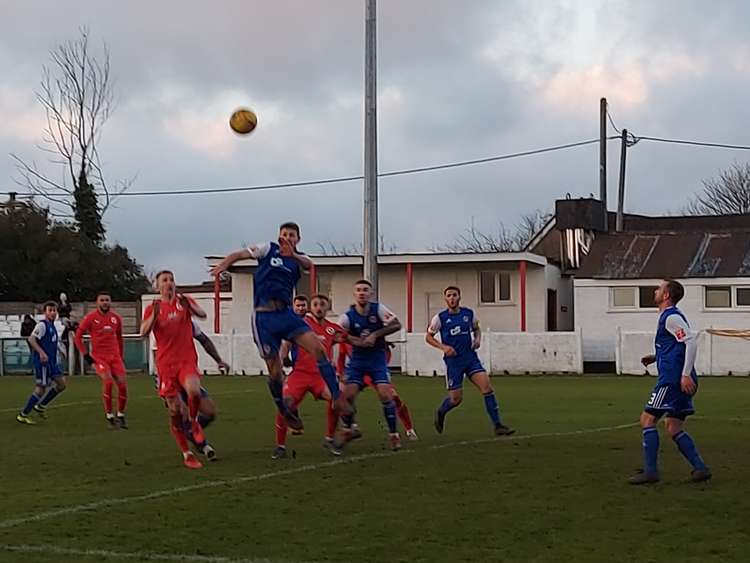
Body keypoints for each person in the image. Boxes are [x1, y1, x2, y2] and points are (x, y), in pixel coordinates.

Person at [209, 222, 348, 431]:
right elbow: (240, 254)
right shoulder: (268, 248)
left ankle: (337, 398)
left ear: (298, 239)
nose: (288, 238)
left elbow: (309, 264)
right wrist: (223, 265)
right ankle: (283, 408)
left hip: (286, 314)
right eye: (285, 234)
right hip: (264, 318)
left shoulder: (298, 259)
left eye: (292, 235)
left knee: (319, 349)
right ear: (279, 236)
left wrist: (293, 255)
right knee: (275, 372)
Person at [629, 279, 711, 485]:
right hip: (680, 378)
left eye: (659, 289)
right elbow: (677, 345)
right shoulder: (671, 318)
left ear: (666, 295)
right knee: (673, 426)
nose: (655, 291)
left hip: (673, 381)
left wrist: (684, 375)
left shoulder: (671, 317)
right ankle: (700, 468)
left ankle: (650, 472)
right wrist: (656, 357)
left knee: (647, 420)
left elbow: (690, 341)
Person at [426, 286, 514, 436]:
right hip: (454, 363)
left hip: (470, 358)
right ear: (445, 299)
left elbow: (476, 328)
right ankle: (441, 412)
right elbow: (428, 337)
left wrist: (477, 339)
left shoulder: (468, 314)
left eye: (454, 295)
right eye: (449, 295)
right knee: (456, 399)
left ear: (459, 297)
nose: (452, 298)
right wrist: (443, 347)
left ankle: (498, 425)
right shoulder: (439, 318)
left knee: (487, 388)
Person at [141, 271, 207, 469]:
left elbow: (203, 315)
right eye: (165, 280)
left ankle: (194, 422)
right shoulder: (153, 308)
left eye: (172, 280)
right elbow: (143, 331)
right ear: (157, 286)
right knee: (175, 410)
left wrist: (192, 307)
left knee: (194, 390)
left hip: (186, 360)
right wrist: (153, 316)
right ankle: (186, 453)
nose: (169, 283)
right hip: (166, 364)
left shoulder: (184, 302)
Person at [332, 280, 404, 453]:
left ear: (370, 293)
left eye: (365, 290)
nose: (362, 293)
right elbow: (337, 334)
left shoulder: (378, 309)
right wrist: (351, 339)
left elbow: (397, 324)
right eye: (358, 290)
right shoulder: (347, 316)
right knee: (346, 396)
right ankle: (350, 429)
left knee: (386, 395)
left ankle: (394, 434)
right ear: (354, 294)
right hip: (357, 361)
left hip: (377, 360)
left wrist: (376, 334)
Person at [272, 294, 341, 459]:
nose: (318, 307)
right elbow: (286, 344)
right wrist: (280, 363)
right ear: (311, 307)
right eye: (315, 304)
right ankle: (280, 446)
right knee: (285, 404)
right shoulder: (301, 324)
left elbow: (350, 340)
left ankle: (329, 439)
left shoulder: (333, 328)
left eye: (322, 304)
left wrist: (374, 340)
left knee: (337, 400)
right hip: (300, 375)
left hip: (321, 376)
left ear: (328, 307)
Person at [337, 340, 417, 440]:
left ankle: (409, 429)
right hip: (357, 373)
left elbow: (386, 352)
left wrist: (383, 367)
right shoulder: (346, 339)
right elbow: (341, 356)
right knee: (341, 396)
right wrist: (340, 374)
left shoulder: (370, 334)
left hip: (374, 372)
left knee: (393, 397)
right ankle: (350, 426)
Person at [75, 292, 128, 429]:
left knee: (122, 385)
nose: (105, 302)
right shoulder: (91, 318)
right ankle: (109, 415)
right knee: (108, 381)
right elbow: (77, 337)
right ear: (97, 302)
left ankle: (121, 415)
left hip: (115, 357)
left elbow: (120, 338)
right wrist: (86, 356)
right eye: (102, 300)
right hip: (99, 357)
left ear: (110, 302)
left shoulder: (116, 318)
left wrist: (120, 356)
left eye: (107, 300)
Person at [16, 302, 67, 424]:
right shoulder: (42, 325)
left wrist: (60, 351)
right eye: (50, 310)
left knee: (62, 384)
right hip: (43, 362)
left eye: (54, 310)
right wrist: (41, 353)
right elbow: (31, 339)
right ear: (45, 312)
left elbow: (52, 342)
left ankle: (41, 406)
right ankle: (23, 415)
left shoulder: (52, 326)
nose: (53, 312)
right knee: (41, 389)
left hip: (52, 362)